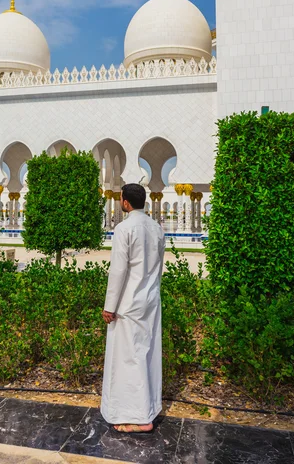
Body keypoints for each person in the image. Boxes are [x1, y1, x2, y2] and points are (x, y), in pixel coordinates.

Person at [101, 183, 165, 434]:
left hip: (127, 305)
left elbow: (118, 270)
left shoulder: (124, 228)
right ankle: (147, 409)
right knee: (146, 353)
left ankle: (138, 417)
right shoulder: (157, 228)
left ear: (125, 202)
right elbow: (157, 269)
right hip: (149, 301)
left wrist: (109, 306)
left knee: (129, 358)